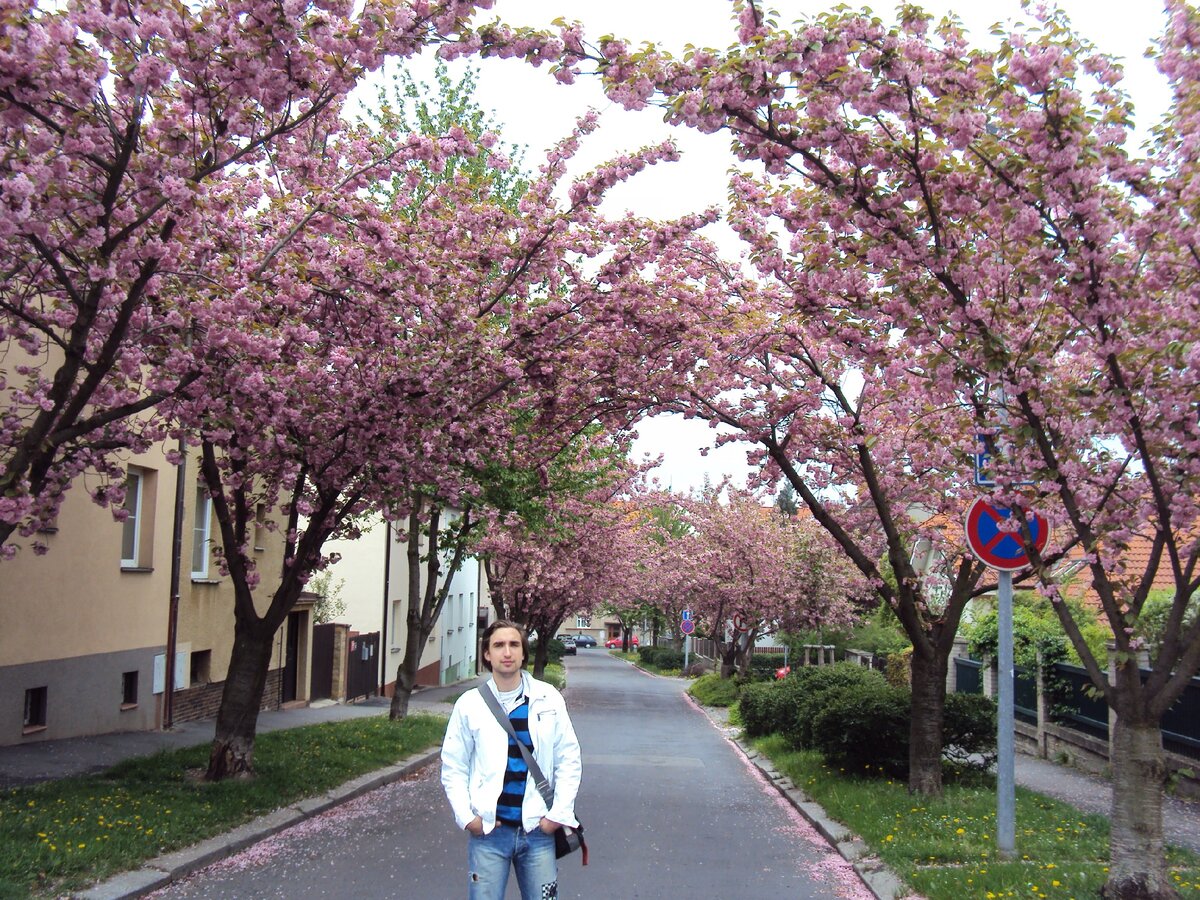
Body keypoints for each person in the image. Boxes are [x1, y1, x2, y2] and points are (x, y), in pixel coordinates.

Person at [441, 620, 582, 900]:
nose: (507, 652)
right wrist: (468, 819)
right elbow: (454, 766)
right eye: (499, 645)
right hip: (490, 836)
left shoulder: (547, 699)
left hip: (538, 834)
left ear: (523, 652)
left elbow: (568, 758)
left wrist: (557, 815)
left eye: (514, 644)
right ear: (487, 654)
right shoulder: (470, 705)